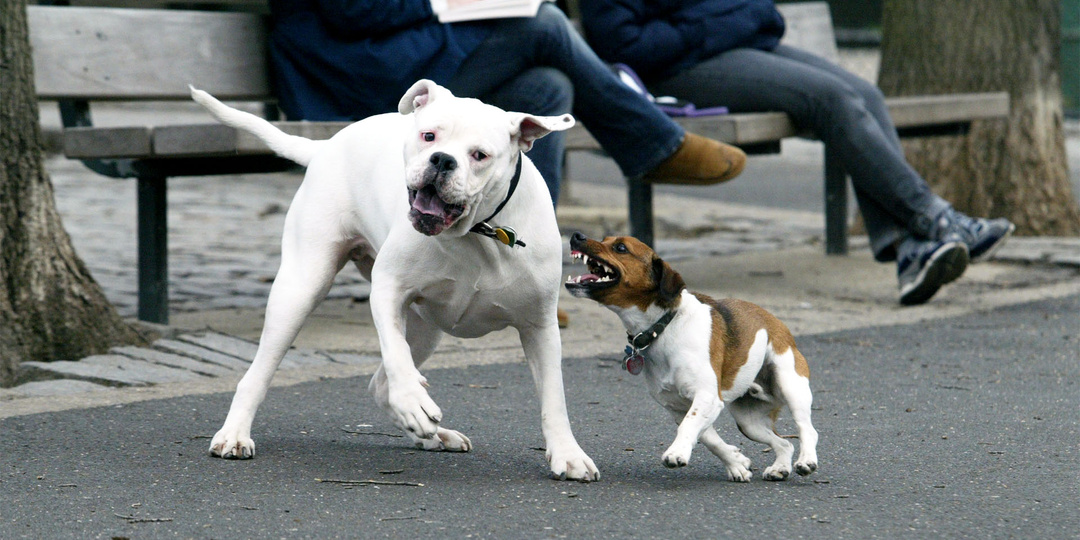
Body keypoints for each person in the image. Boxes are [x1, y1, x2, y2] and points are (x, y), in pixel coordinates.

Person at [579, 0, 1016, 305]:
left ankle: (909, 251)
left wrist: (725, 23)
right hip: (675, 72)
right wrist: (717, 26)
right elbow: (621, 43)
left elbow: (765, 14)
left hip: (735, 49)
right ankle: (933, 221)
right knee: (832, 99)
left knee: (865, 94)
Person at [266, 0, 748, 210]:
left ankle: (526, 264)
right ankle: (655, 147)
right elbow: (353, 12)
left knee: (545, 87)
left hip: (398, 52)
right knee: (543, 24)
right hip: (353, 74)